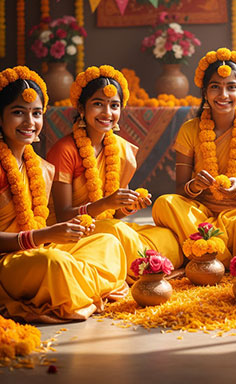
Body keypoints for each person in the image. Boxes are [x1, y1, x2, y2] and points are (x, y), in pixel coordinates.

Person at [0, 66, 129, 323]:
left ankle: (75, 285)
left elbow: (43, 227)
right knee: (54, 264)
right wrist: (46, 235)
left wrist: (54, 235)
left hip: (35, 249)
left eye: (36, 113)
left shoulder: (38, 166)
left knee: (108, 244)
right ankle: (82, 285)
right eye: (18, 113)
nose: (29, 122)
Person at [46, 65, 182, 269]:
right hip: (71, 232)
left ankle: (143, 264)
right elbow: (64, 215)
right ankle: (147, 266)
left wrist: (127, 205)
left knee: (166, 236)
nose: (107, 113)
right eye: (98, 104)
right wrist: (106, 204)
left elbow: (115, 215)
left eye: (114, 105)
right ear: (82, 109)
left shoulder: (120, 149)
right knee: (120, 233)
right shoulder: (65, 150)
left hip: (107, 226)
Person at [151, 48, 236, 263]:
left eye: (231, 87)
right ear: (204, 92)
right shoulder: (190, 130)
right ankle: (225, 254)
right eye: (215, 87)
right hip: (200, 216)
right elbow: (180, 189)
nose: (223, 95)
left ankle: (205, 252)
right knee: (165, 203)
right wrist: (195, 185)